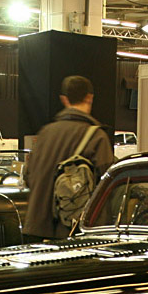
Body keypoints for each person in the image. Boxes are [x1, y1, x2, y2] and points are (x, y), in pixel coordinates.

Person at [24, 75, 115, 241]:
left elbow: (29, 176)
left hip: (37, 229)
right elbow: (108, 186)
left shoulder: (44, 133)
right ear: (90, 97)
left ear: (64, 99)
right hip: (73, 232)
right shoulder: (96, 137)